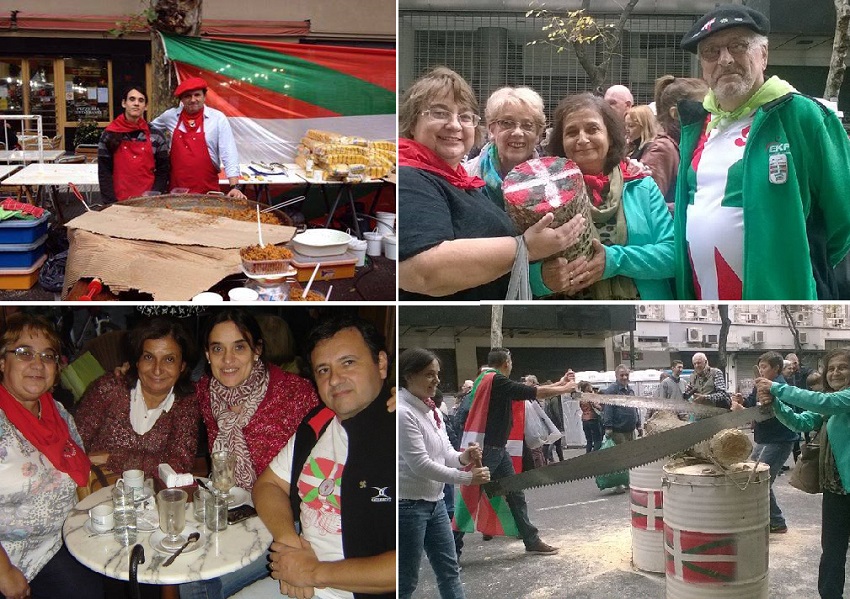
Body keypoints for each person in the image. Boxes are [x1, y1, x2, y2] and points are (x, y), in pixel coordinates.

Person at [675, 4, 850, 300]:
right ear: (703, 67)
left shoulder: (803, 115)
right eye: (711, 52)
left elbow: (843, 217)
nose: (725, 59)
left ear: (764, 55)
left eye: (738, 46)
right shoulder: (699, 125)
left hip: (783, 311)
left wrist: (791, 266)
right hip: (704, 304)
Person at [398, 66, 587, 301]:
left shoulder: (463, 183)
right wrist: (526, 247)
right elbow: (424, 272)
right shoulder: (411, 177)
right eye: (439, 113)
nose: (455, 125)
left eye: (465, 116)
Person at [253, 316, 395, 599]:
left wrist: (313, 573)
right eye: (323, 370)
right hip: (300, 577)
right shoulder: (318, 423)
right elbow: (267, 486)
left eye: (348, 363)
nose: (335, 379)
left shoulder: (398, 430)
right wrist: (289, 544)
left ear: (380, 364)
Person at [181, 309, 320, 599]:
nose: (228, 360)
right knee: (186, 565)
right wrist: (128, 376)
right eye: (218, 349)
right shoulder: (206, 391)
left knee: (196, 580)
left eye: (239, 347)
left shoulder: (298, 394)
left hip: (285, 519)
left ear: (257, 349)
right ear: (207, 354)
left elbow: (346, 415)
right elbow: (165, 389)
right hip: (229, 512)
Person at [0, 313, 104, 599]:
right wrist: (4, 572)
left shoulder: (57, 412)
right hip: (7, 555)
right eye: (24, 353)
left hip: (56, 544)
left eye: (48, 356)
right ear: (2, 362)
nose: (37, 364)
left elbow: (80, 468)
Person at [543, 92, 675, 299]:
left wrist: (614, 261)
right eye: (571, 132)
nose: (582, 139)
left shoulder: (642, 187)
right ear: (561, 143)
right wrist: (544, 279)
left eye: (592, 129)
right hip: (567, 321)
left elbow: (673, 255)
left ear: (610, 137)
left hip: (640, 318)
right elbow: (525, 265)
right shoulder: (546, 194)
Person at [455, 348, 576, 555]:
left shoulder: (487, 378)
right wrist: (566, 389)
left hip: (497, 450)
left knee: (515, 493)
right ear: (507, 362)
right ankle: (451, 548)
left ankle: (531, 540)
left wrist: (561, 383)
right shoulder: (497, 380)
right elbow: (535, 392)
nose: (511, 365)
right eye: (511, 361)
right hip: (489, 450)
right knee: (472, 496)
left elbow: (529, 389)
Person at [754, 347, 850, 599]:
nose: (836, 372)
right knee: (831, 552)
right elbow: (803, 422)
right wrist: (777, 405)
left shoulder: (843, 400)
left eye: (843, 367)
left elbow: (822, 401)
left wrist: (776, 388)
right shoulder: (832, 404)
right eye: (831, 368)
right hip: (836, 491)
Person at [398, 348, 489, 599]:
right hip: (407, 507)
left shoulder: (432, 409)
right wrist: (467, 478)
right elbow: (421, 465)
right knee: (405, 581)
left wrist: (464, 458)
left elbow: (446, 452)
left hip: (435, 503)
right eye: (429, 375)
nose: (437, 381)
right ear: (408, 376)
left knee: (449, 571)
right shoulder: (403, 412)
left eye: (437, 374)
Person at [74, 317, 199, 478]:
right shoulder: (108, 388)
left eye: (169, 359)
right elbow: (74, 446)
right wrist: (154, 464)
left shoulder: (186, 404)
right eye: (148, 357)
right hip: (99, 493)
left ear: (182, 366)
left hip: (154, 500)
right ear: (137, 361)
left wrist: (111, 458)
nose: (157, 370)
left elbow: (179, 466)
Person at [731, 351, 797, 534]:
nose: (761, 370)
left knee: (760, 480)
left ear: (776, 368)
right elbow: (754, 403)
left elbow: (773, 416)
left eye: (765, 367)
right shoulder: (760, 384)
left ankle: (777, 521)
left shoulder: (782, 388)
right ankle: (767, 518)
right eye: (760, 366)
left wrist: (743, 410)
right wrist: (743, 401)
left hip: (779, 440)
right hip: (764, 439)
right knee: (753, 478)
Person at [150, 76, 247, 199]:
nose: (193, 100)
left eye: (197, 95)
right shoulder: (170, 116)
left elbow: (229, 152)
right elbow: (149, 129)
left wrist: (234, 186)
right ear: (181, 100)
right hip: (176, 192)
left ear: (204, 96)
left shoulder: (217, 118)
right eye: (187, 96)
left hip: (208, 191)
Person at [464, 86, 546, 210]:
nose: (518, 133)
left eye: (527, 125)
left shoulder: (552, 179)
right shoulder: (466, 176)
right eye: (507, 123)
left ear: (538, 135)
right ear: (491, 129)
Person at [95, 83, 169, 208]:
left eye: (141, 100)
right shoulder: (109, 134)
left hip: (148, 202)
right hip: (118, 201)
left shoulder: (156, 135)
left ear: (145, 107)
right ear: (124, 103)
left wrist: (154, 196)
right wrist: (110, 202)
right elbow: (104, 171)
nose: (136, 103)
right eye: (132, 99)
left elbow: (163, 170)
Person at [652, 75, 708, 207]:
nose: (711, 113)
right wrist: (688, 207)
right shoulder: (663, 149)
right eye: (704, 107)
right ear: (676, 114)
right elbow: (647, 205)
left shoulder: (692, 145)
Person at [601, 365, 641, 445]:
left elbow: (635, 409)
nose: (625, 377)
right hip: (618, 432)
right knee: (622, 456)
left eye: (627, 375)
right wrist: (608, 427)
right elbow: (608, 410)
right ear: (616, 376)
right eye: (622, 375)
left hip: (631, 431)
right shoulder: (612, 391)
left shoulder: (630, 391)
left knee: (632, 455)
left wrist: (638, 425)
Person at [578, 381, 603, 453]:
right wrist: (601, 408)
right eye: (590, 386)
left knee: (589, 440)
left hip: (584, 420)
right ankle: (596, 455)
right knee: (597, 440)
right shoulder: (590, 396)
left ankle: (587, 455)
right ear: (587, 387)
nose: (591, 387)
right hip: (593, 419)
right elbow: (597, 406)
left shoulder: (581, 397)